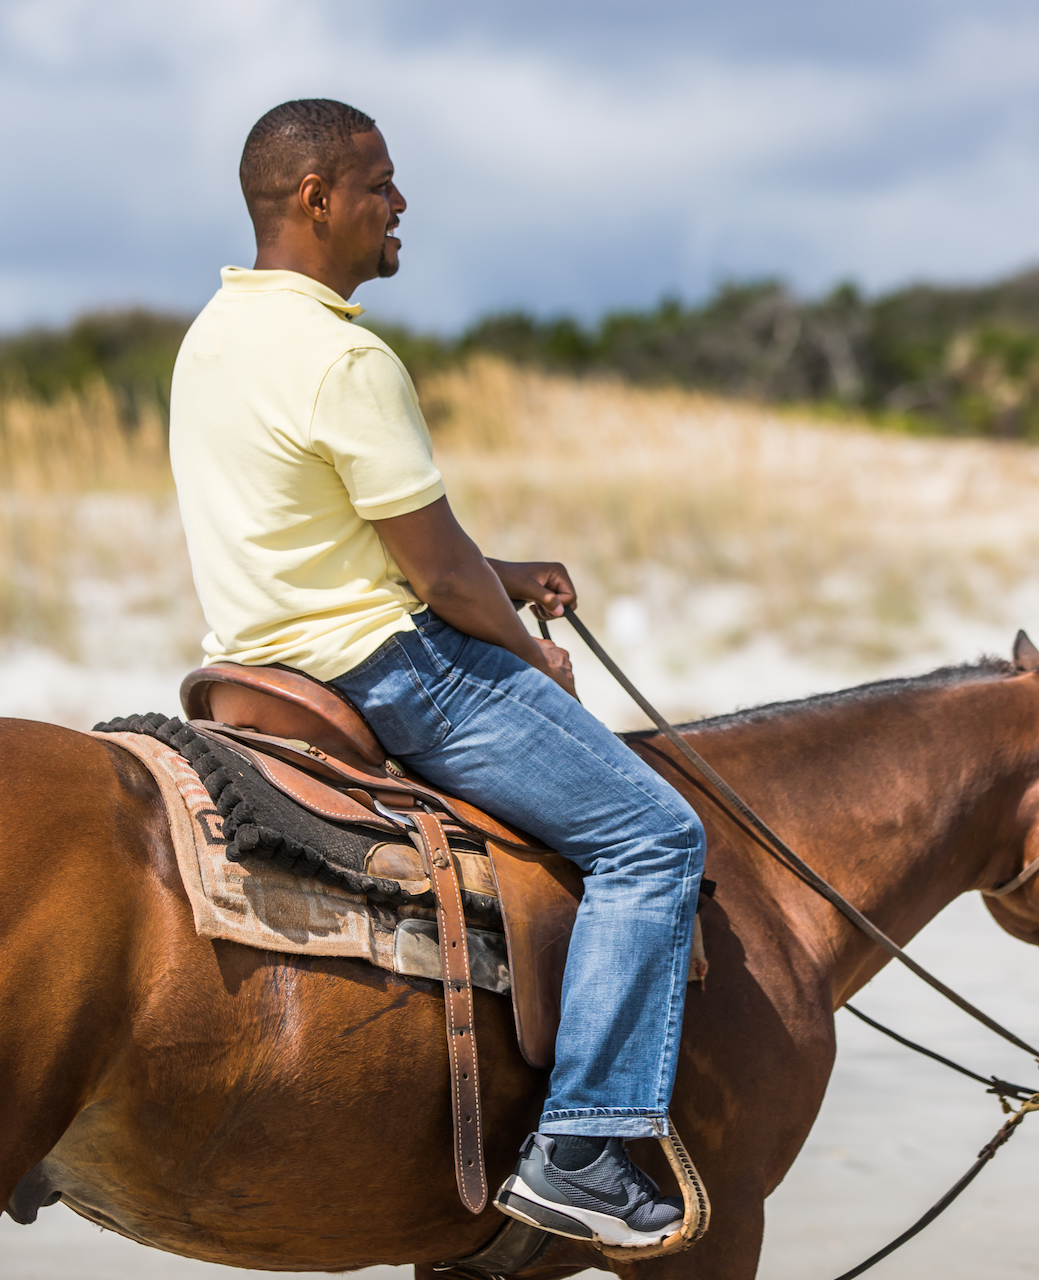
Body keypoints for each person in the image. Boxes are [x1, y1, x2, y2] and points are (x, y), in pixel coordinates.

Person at [166, 98, 705, 1249]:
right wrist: (531, 649)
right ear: (316, 200)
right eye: (380, 182)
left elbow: (344, 530)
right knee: (654, 836)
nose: (400, 203)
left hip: (255, 666)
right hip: (395, 672)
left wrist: (504, 571)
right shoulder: (344, 354)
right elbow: (440, 578)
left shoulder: (216, 332)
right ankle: (585, 1143)